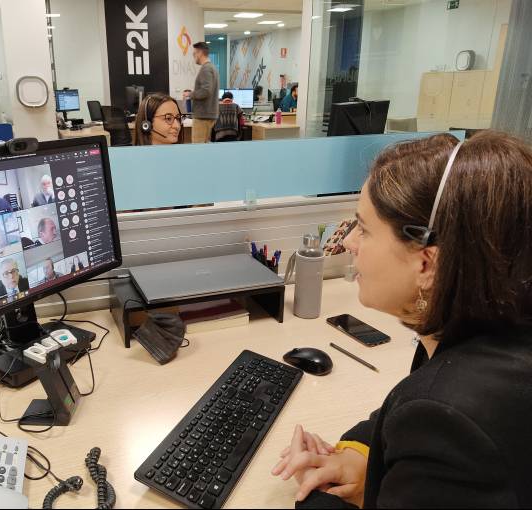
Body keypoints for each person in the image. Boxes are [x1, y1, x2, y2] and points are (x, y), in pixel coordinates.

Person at [272, 131, 532, 508]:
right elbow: (398, 420)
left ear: (427, 264)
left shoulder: (448, 418)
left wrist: (315, 495)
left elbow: (429, 421)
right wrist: (359, 455)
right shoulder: (492, 330)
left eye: (364, 229)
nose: (348, 242)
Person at [185, 42, 219, 144]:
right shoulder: (212, 68)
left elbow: (206, 91)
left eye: (194, 53)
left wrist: (190, 94)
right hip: (208, 115)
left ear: (200, 53)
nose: (193, 56)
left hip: (203, 116)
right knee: (204, 147)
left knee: (198, 148)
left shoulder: (206, 68)